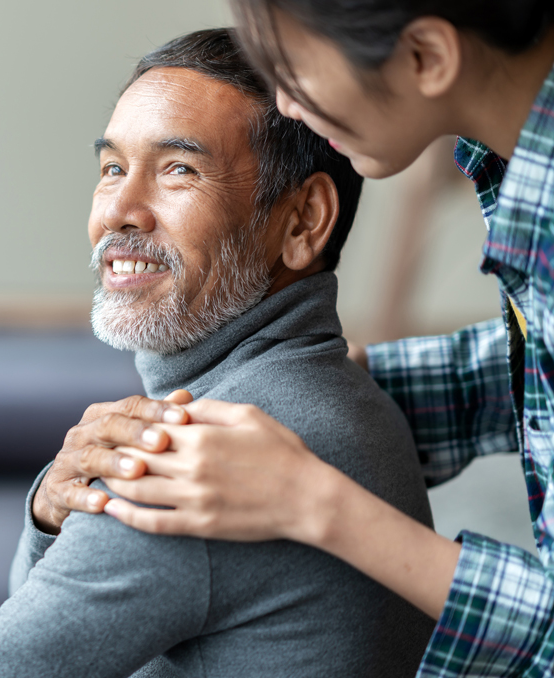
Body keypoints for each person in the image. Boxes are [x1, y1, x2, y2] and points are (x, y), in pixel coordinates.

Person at [33, 2, 554, 676]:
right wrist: (340, 401)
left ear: (425, 56)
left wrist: (315, 500)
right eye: (111, 167)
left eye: (297, 68)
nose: (287, 102)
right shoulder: (509, 168)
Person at [0, 28, 435, 678]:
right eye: (111, 169)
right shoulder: (335, 398)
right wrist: (52, 513)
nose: (120, 213)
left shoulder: (202, 462)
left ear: (301, 222)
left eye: (178, 169)